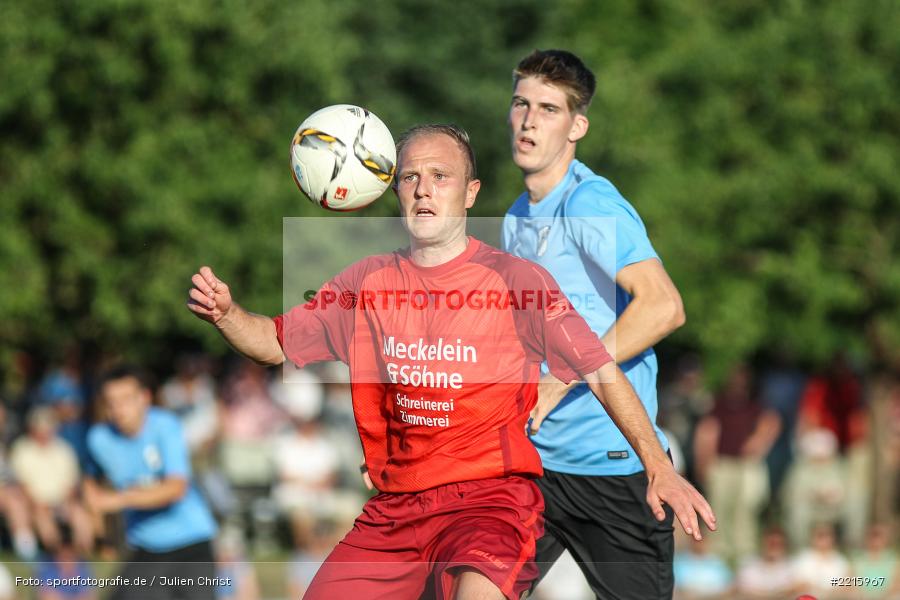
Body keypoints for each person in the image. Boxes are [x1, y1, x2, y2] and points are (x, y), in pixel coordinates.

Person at [187, 124, 712, 600]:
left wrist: (659, 466)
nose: (423, 188)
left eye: (441, 176)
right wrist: (228, 313)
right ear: (394, 191)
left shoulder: (516, 281)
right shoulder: (366, 281)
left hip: (493, 503)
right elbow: (274, 342)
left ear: (470, 192)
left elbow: (600, 370)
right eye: (410, 176)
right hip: (395, 511)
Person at [501, 49, 715, 599]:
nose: (528, 120)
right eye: (521, 103)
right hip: (535, 470)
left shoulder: (589, 202)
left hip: (614, 468)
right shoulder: (516, 219)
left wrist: (564, 375)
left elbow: (664, 306)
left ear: (578, 126)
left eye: (548, 109)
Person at [84, 365, 218, 600]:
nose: (118, 409)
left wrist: (121, 499)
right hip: (146, 547)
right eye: (110, 401)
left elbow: (176, 488)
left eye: (125, 400)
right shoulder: (99, 439)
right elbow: (90, 483)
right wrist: (101, 531)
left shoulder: (165, 426)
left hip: (191, 543)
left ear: (144, 398)